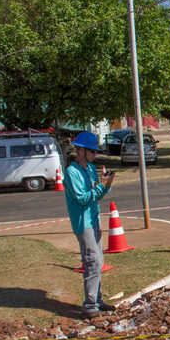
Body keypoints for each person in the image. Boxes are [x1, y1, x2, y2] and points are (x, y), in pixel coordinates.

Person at [63, 132, 115, 318]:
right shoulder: (72, 173)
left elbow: (96, 195)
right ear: (81, 150)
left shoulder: (91, 169)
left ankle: (97, 300)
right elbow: (83, 199)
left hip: (94, 219)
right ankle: (90, 304)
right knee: (92, 261)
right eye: (91, 151)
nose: (94, 154)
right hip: (83, 222)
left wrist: (105, 186)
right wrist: (102, 187)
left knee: (98, 260)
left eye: (95, 151)